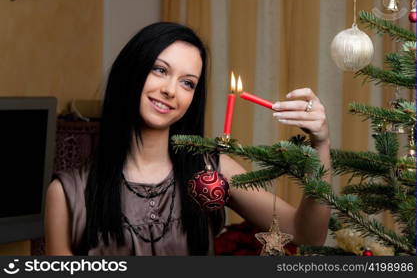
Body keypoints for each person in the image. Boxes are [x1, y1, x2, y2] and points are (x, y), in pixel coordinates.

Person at [44, 22, 331, 256]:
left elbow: (307, 234)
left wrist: (321, 145)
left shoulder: (213, 171)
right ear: (131, 71)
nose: (171, 90)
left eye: (187, 83)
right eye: (160, 70)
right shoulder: (67, 193)